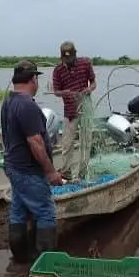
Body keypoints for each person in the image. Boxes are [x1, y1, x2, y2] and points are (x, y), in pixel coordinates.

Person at [2, 61, 64, 263]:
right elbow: (36, 142)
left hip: (13, 167)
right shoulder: (28, 105)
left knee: (18, 211)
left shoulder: (8, 101)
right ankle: (46, 263)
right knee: (45, 212)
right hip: (29, 171)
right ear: (33, 79)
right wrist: (50, 172)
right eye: (37, 78)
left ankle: (20, 259)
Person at [52, 41, 97, 179]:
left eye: (70, 58)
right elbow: (56, 91)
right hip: (70, 110)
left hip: (85, 106)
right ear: (62, 58)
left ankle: (84, 170)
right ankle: (66, 172)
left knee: (86, 140)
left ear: (75, 55)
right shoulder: (58, 70)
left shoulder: (85, 63)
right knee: (67, 143)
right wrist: (64, 92)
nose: (68, 61)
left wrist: (88, 89)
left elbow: (94, 83)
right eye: (65, 59)